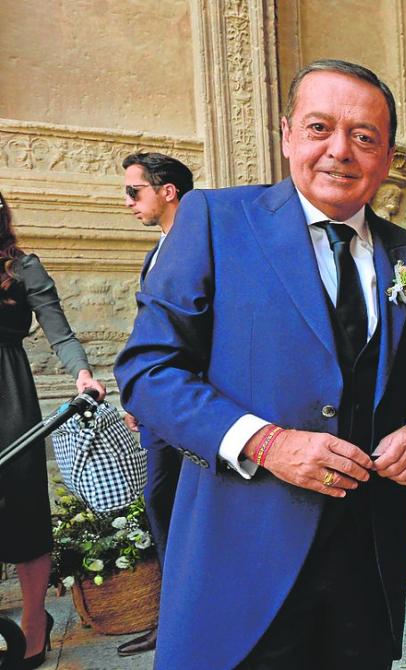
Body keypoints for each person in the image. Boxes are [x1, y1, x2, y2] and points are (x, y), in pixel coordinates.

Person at [114, 60, 406, 669]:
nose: (340, 151)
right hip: (242, 553)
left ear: (388, 153)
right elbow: (147, 371)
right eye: (320, 127)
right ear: (288, 134)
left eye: (364, 136)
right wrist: (264, 443)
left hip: (365, 564)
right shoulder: (215, 221)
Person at [0, 190, 106, 669]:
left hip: (7, 396)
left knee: (21, 505)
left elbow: (59, 331)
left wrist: (82, 373)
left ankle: (35, 621)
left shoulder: (23, 268)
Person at [116, 150, 194, 657]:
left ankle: (182, 622)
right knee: (161, 505)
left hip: (191, 407)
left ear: (168, 191)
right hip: (160, 407)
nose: (127, 203)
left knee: (171, 504)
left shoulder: (198, 246)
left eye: (134, 191)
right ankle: (174, 619)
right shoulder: (156, 252)